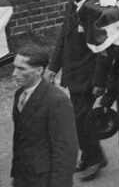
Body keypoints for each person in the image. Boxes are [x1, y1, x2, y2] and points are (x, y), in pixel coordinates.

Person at [45, 0, 109, 181]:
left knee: (81, 118)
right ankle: (90, 155)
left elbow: (103, 49)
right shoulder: (71, 6)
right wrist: (53, 67)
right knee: (79, 118)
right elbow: (63, 38)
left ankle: (95, 158)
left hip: (89, 76)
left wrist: (100, 81)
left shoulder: (96, 11)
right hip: (73, 73)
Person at [12, 45, 78, 187]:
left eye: (21, 68)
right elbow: (21, 139)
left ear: (39, 71)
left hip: (44, 179)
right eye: (14, 67)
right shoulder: (20, 94)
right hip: (23, 176)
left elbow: (66, 150)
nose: (14, 73)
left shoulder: (56, 101)